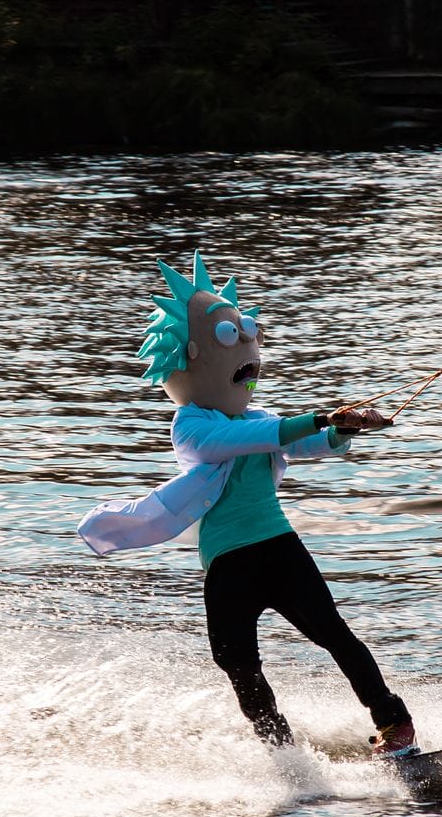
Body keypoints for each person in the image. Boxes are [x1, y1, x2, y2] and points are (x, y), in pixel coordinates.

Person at [78, 251, 419, 758]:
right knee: (238, 664)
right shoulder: (192, 425)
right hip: (228, 563)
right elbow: (254, 438)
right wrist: (321, 416)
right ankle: (282, 754)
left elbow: (300, 443)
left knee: (334, 635)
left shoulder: (257, 417)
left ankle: (394, 723)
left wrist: (342, 429)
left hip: (279, 548)